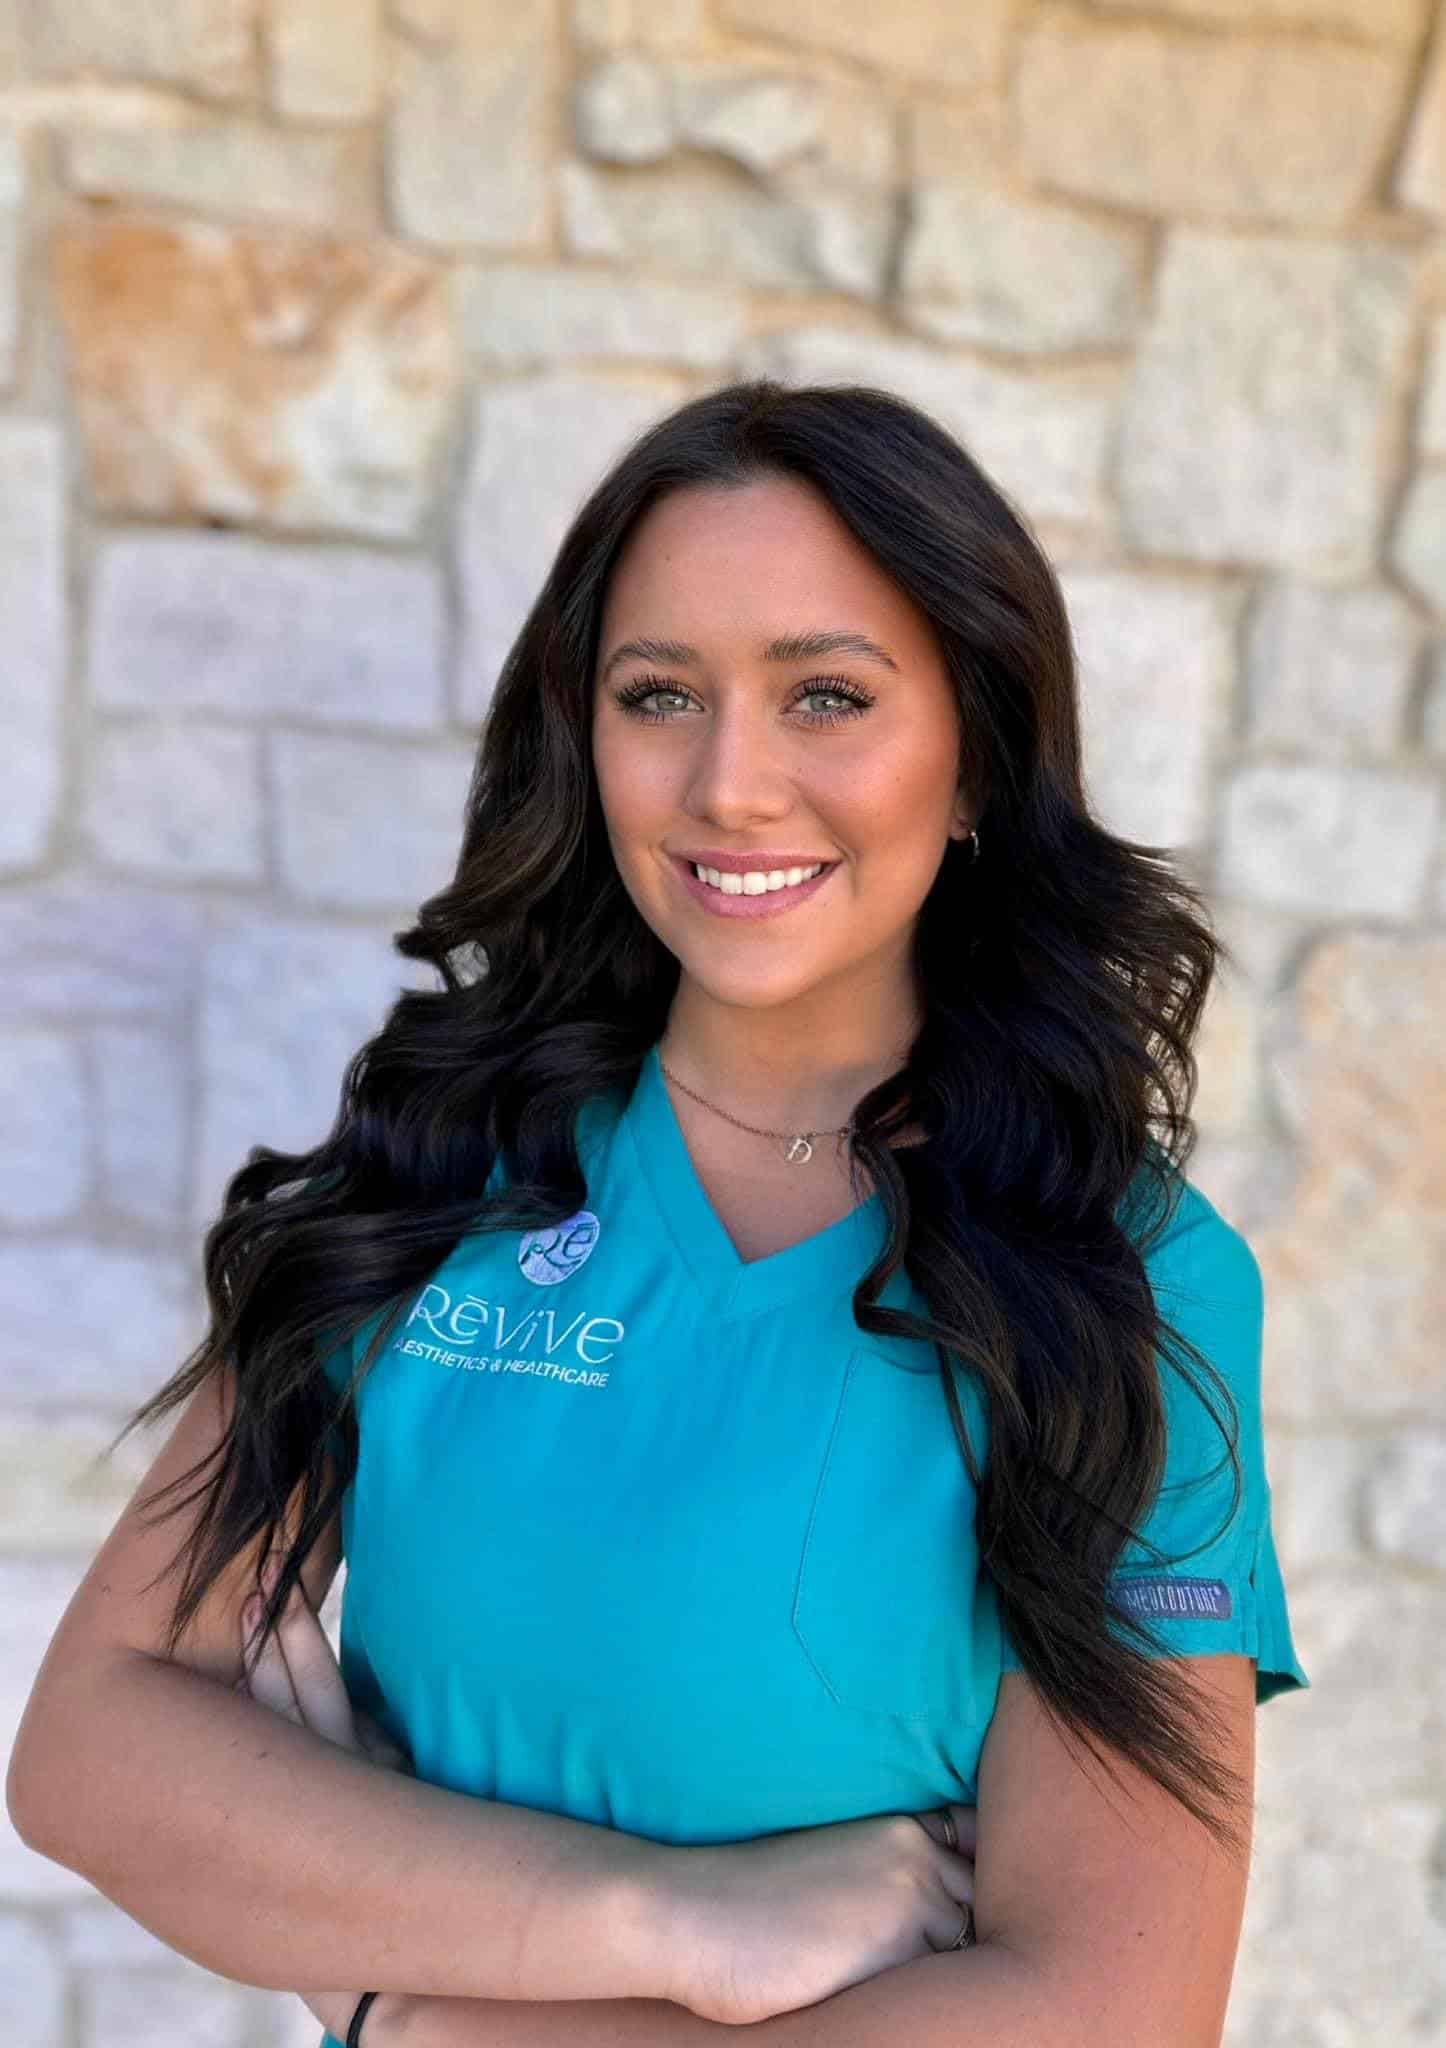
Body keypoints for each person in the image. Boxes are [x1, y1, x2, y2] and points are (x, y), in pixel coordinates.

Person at [9, 378, 1309, 2048]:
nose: (730, 786)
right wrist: (671, 1922)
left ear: (976, 757)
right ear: (586, 738)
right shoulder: (433, 1180)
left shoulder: (1125, 1282)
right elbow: (94, 1753)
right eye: (659, 695)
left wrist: (424, 2009)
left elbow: (1109, 2012)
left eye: (826, 695)